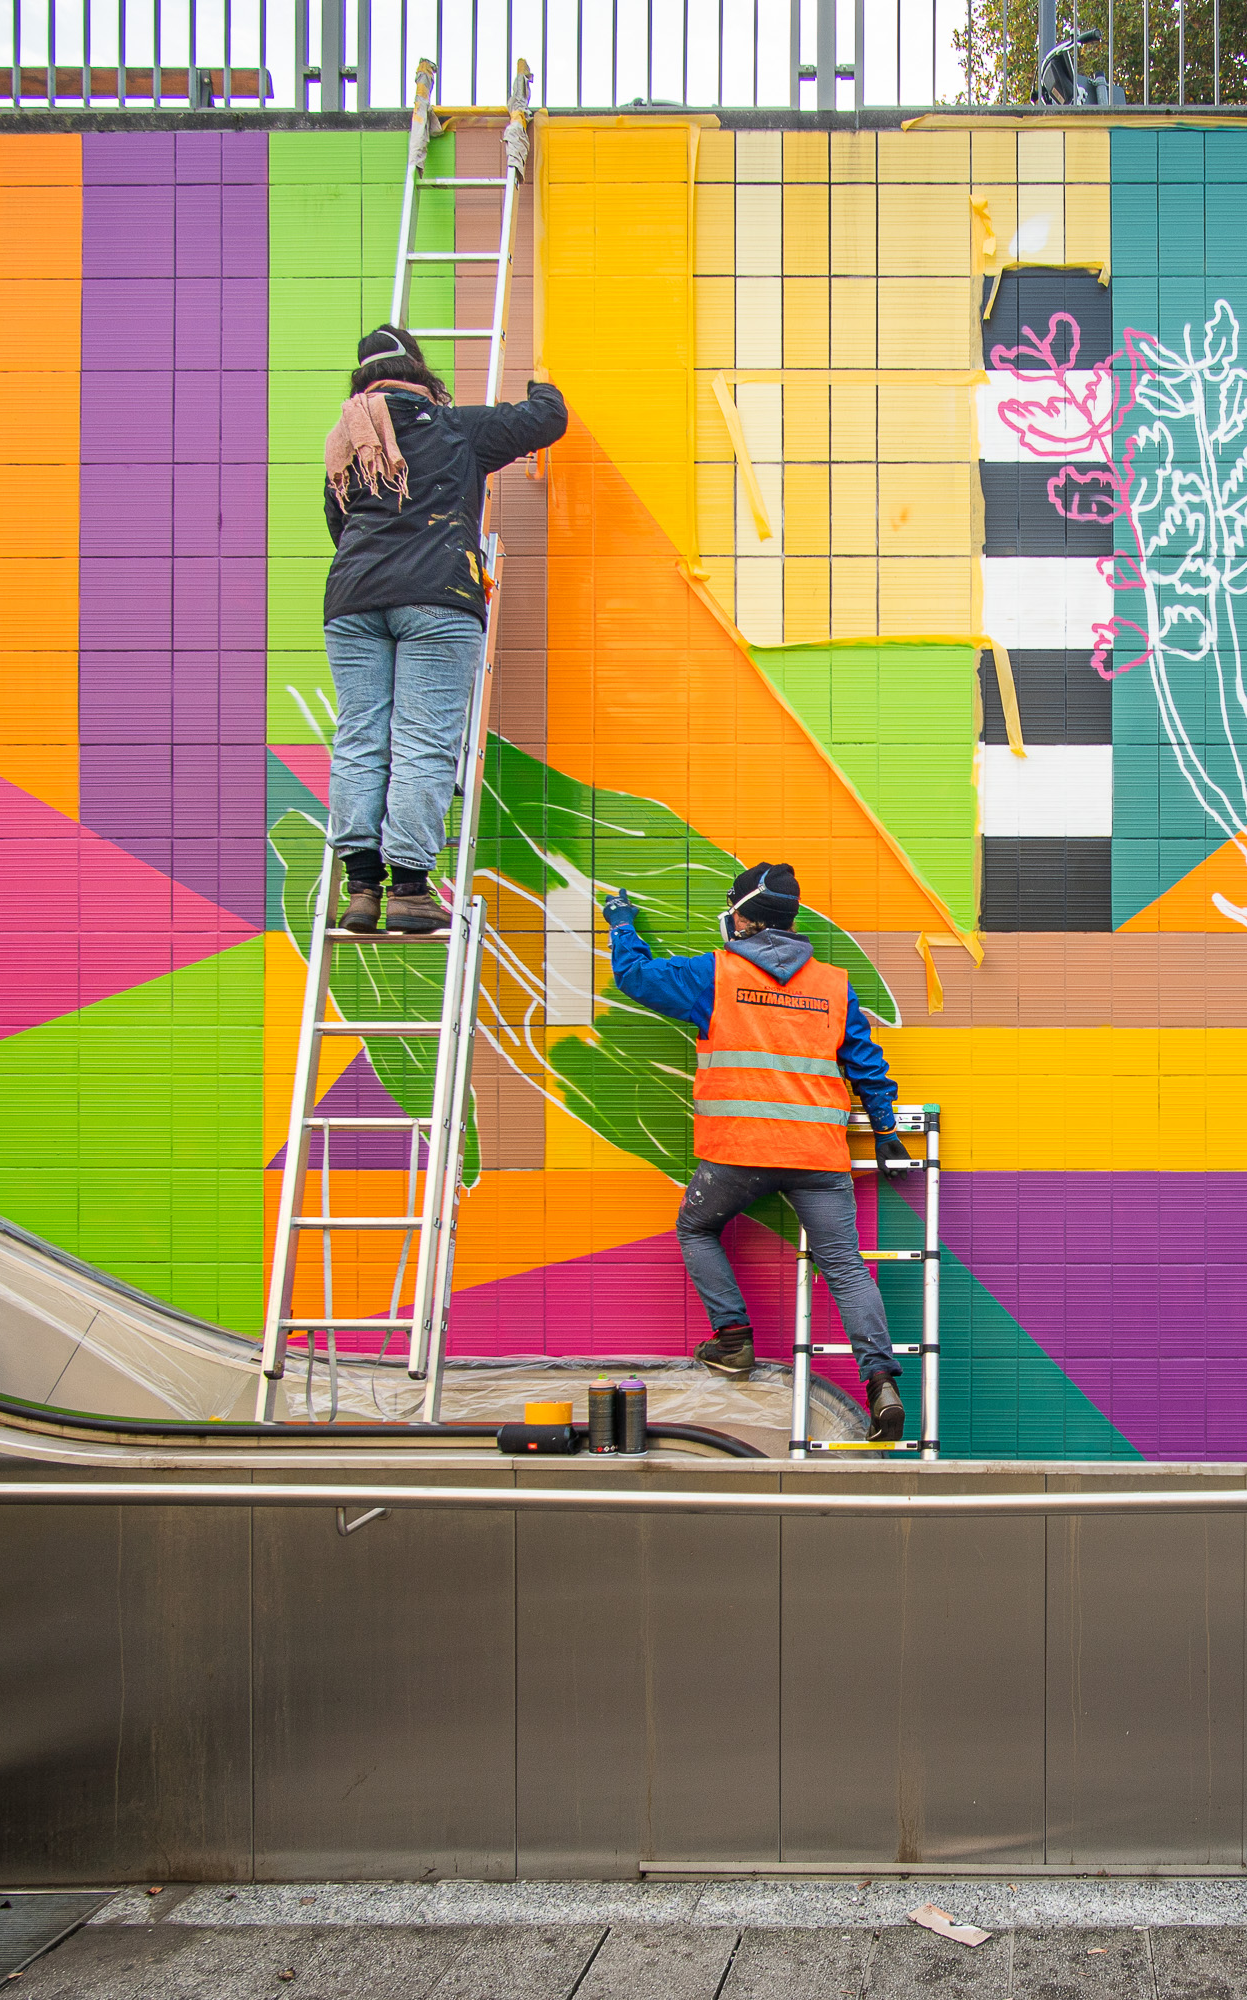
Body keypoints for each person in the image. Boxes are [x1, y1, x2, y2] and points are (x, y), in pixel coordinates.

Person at [601, 863, 913, 1442]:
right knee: (844, 1268)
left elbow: (636, 978)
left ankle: (733, 1340)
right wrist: (887, 1128)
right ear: (790, 921)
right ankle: (882, 1384)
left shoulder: (713, 974)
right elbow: (865, 1062)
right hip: (818, 1156)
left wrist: (623, 924)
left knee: (696, 1228)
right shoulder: (833, 984)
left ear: (741, 917)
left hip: (739, 1152)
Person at [322, 327, 567, 934]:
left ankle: (360, 889)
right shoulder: (452, 426)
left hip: (353, 601)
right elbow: (546, 417)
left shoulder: (345, 441)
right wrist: (544, 372)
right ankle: (408, 887)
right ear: (419, 373)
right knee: (422, 741)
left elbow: (339, 522)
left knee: (360, 739)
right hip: (438, 597)